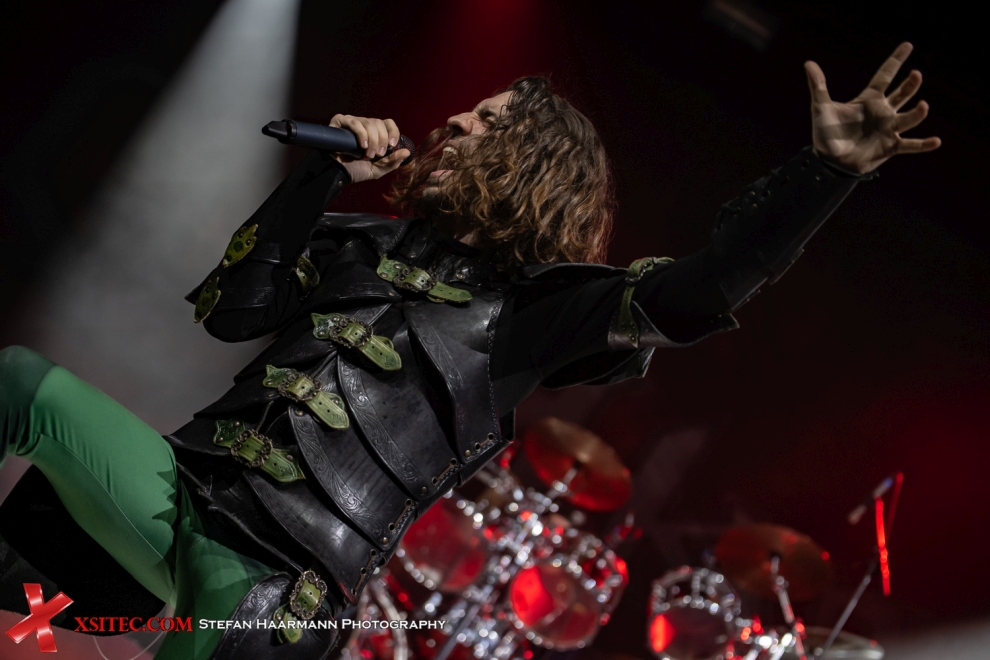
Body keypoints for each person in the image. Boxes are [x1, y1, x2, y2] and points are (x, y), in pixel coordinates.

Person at [0, 43, 938, 659]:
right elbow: (230, 312)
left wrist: (823, 175)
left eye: (487, 123)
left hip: (275, 583)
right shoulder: (360, 242)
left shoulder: (535, 313)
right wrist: (320, 175)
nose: (454, 123)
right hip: (181, 492)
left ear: (534, 166)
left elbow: (701, 290)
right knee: (17, 381)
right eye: (468, 113)